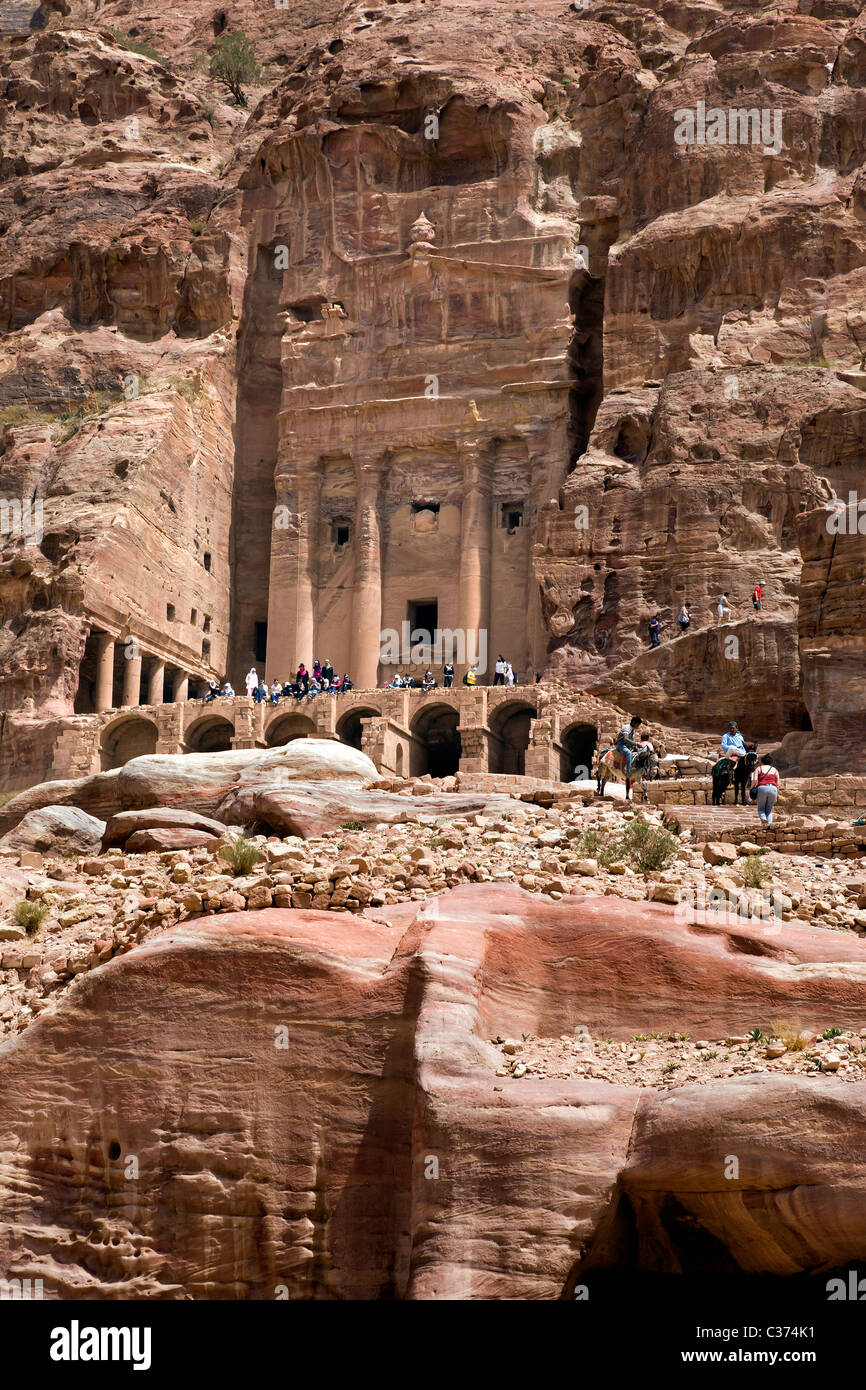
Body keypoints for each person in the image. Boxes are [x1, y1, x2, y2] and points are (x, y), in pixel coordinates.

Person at [752, 754, 780, 825]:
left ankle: (763, 819)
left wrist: (752, 788)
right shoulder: (775, 770)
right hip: (773, 788)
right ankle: (769, 824)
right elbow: (778, 783)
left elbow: (755, 780)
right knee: (769, 810)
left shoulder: (759, 769)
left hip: (762, 788)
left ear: (762, 761)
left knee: (761, 809)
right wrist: (777, 793)